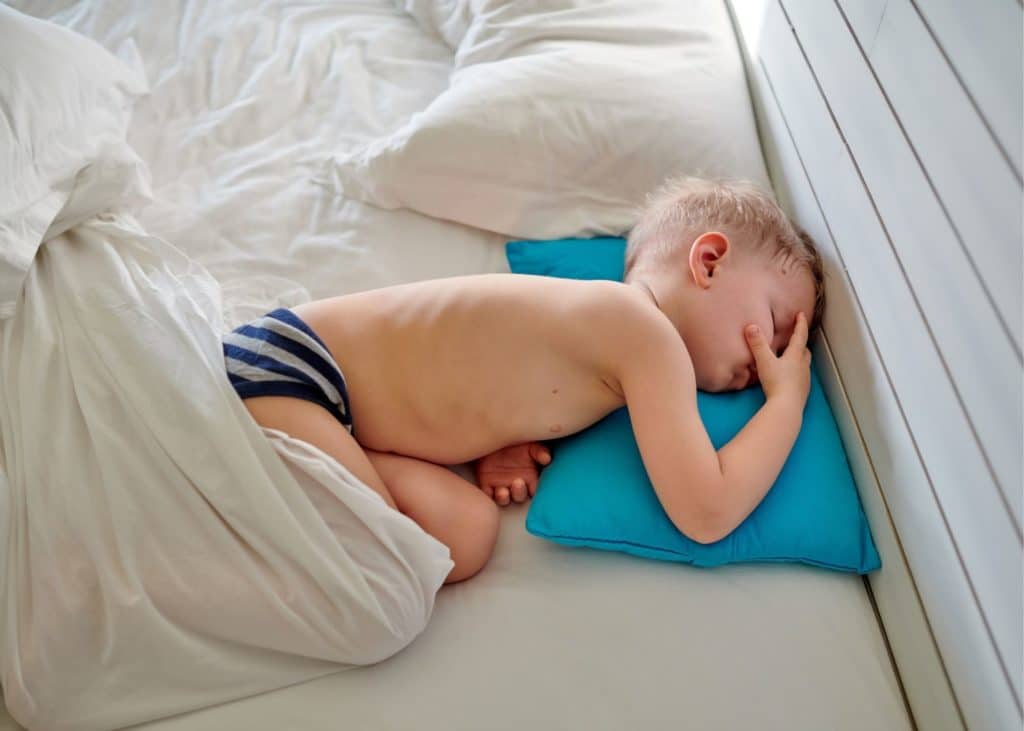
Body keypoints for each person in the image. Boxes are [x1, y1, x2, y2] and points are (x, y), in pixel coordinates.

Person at [222, 176, 825, 585]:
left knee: (466, 536)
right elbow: (707, 511)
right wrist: (787, 403)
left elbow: (474, 362)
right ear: (708, 261)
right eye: (774, 329)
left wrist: (498, 437)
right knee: (379, 570)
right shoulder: (644, 333)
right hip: (295, 371)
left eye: (780, 358)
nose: (765, 364)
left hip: (332, 406)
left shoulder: (604, 340)